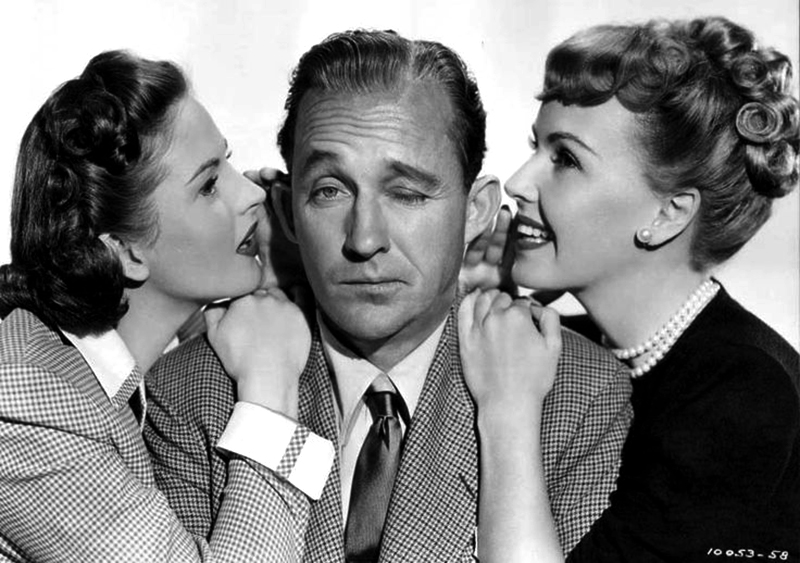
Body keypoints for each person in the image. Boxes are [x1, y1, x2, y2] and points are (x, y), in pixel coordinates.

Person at [143, 29, 633, 562]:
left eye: (406, 194)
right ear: (287, 212)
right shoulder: (192, 392)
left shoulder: (575, 393)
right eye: (329, 191)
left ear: (476, 211)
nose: (364, 239)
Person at [459, 16, 800, 562]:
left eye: (565, 159)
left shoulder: (743, 392)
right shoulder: (564, 342)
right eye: (536, 147)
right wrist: (483, 302)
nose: (518, 183)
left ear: (668, 214)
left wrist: (508, 410)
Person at [0, 50, 333, 562]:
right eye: (209, 185)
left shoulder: (82, 362)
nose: (252, 193)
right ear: (126, 252)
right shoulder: (29, 400)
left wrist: (300, 259)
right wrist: (269, 386)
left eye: (227, 160)